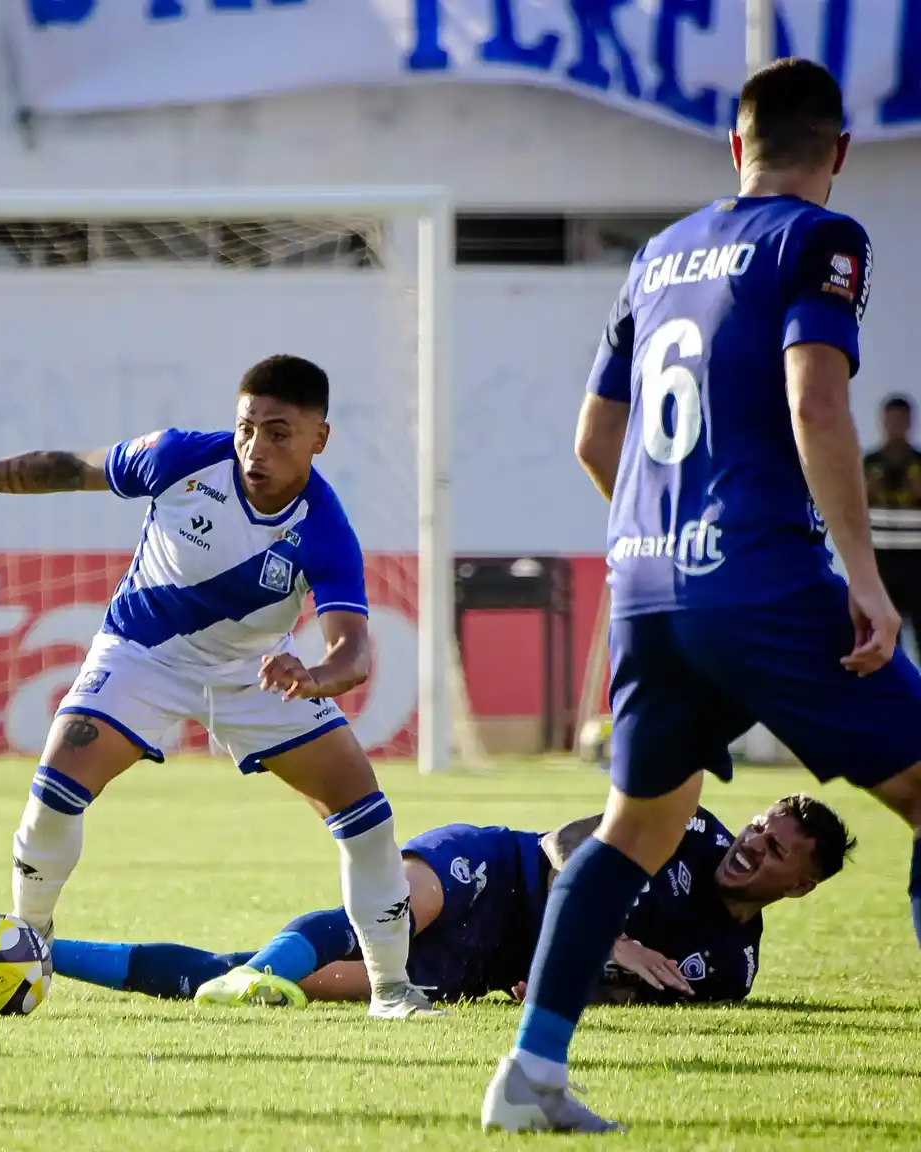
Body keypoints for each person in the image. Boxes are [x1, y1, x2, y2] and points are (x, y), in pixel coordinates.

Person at [482, 58, 921, 1134]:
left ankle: (531, 1075)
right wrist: (865, 579)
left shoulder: (661, 251)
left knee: (635, 830)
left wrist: (664, 544)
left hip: (643, 578)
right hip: (760, 577)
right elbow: (817, 404)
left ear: (735, 145)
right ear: (840, 151)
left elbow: (596, 438)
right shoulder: (823, 237)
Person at [0, 354, 434, 1018]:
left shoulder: (325, 528)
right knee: (56, 786)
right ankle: (29, 944)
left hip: (253, 673)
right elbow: (65, 468)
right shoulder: (177, 458)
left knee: (367, 816)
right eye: (247, 427)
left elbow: (353, 653)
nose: (255, 448)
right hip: (142, 655)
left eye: (279, 433)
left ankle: (391, 990)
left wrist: (314, 677)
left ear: (320, 438)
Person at [48, 795, 853, 1010]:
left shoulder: (730, 969)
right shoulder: (688, 825)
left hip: (487, 963)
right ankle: (256, 970)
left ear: (801, 885)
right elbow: (562, 846)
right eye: (760, 828)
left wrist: (572, 983)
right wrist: (609, 937)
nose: (753, 845)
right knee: (382, 913)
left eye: (776, 850)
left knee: (284, 985)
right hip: (499, 868)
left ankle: (43, 954)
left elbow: (632, 995)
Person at [864, 395, 921, 652]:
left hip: (917, 561)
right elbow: (854, 505)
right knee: (885, 638)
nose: (896, 426)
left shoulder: (918, 462)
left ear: (909, 422)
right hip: (881, 562)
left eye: (901, 420)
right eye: (891, 420)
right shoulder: (870, 463)